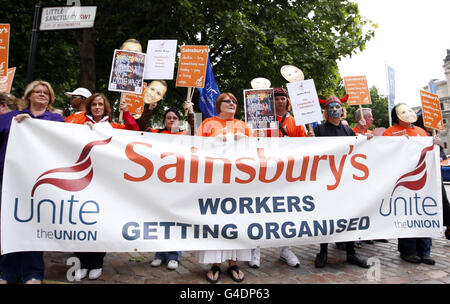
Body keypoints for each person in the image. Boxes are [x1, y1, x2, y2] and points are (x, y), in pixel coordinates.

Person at [66, 93, 138, 281]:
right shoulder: (78, 125)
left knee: (98, 222)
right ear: (89, 107)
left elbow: (133, 130)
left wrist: (127, 112)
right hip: (82, 180)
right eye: (94, 104)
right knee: (80, 220)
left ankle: (96, 262)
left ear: (105, 108)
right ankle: (82, 261)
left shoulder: (113, 127)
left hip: (104, 182)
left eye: (100, 104)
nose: (97, 107)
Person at [0, 80, 65, 284]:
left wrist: (91, 127)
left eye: (46, 92)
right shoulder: (10, 117)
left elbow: (69, 142)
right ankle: (7, 272)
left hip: (40, 181)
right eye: (37, 91)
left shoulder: (56, 120)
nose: (42, 95)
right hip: (10, 180)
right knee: (9, 226)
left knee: (34, 225)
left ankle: (33, 273)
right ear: (29, 95)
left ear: (51, 97)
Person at [195, 92, 251, 283]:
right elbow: (196, 148)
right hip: (214, 181)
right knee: (216, 220)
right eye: (228, 101)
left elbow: (254, 152)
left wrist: (244, 142)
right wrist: (214, 143)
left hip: (238, 181)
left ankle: (234, 263)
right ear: (219, 104)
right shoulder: (207, 124)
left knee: (236, 220)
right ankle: (215, 264)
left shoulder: (242, 125)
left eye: (235, 101)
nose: (232, 103)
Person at [248, 88, 305, 269]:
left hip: (286, 172)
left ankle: (285, 248)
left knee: (286, 211)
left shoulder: (295, 122)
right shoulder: (261, 120)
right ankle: (255, 248)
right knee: (260, 209)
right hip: (264, 170)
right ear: (271, 103)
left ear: (287, 101)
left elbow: (304, 147)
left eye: (283, 98)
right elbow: (251, 141)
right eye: (277, 99)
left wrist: (310, 139)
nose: (280, 101)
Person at [312, 95, 370, 269]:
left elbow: (359, 147)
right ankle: (323, 252)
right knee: (326, 216)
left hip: (345, 180)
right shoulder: (319, 130)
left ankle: (351, 252)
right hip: (326, 180)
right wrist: (309, 139)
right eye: (331, 107)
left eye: (338, 106)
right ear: (326, 111)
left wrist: (368, 138)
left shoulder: (348, 131)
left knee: (348, 214)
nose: (335, 109)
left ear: (342, 109)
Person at [383, 103, 440, 265]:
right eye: (403, 111)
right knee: (406, 214)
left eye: (409, 110)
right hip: (402, 180)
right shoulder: (390, 132)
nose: (408, 114)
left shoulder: (422, 132)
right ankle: (408, 251)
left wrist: (435, 142)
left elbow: (432, 153)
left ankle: (425, 251)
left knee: (424, 212)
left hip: (424, 180)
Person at [149, 103, 194, 270]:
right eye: (169, 117)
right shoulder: (155, 134)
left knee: (175, 219)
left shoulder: (183, 135)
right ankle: (159, 254)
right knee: (160, 218)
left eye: (175, 118)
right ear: (164, 120)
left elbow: (195, 129)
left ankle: (174, 255)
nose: (172, 120)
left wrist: (190, 112)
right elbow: (136, 130)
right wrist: (149, 109)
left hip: (177, 182)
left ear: (179, 121)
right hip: (159, 182)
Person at [414, 111, 450, 240]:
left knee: (442, 200)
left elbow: (442, 158)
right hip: (420, 176)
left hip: (434, 176)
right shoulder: (417, 134)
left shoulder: (435, 137)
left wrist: (437, 146)